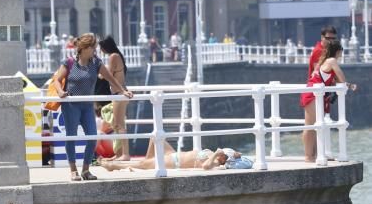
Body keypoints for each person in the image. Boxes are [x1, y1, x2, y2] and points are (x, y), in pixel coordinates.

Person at [52, 32, 133, 182]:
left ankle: (86, 170)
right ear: (84, 48)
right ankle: (73, 171)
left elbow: (110, 78)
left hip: (87, 106)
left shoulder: (96, 63)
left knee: (92, 137)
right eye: (93, 48)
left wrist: (123, 91)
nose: (95, 51)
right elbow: (57, 79)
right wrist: (60, 91)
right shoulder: (69, 63)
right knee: (71, 137)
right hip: (71, 106)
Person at [300, 40, 356, 163]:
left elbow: (333, 80)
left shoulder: (324, 61)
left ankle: (312, 155)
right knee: (310, 126)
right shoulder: (331, 61)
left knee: (312, 125)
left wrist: (349, 85)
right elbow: (341, 78)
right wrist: (349, 85)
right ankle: (309, 157)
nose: (341, 55)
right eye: (341, 52)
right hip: (313, 94)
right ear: (338, 51)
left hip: (313, 92)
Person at [99, 139, 252, 172]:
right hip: (174, 154)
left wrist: (216, 156)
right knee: (155, 138)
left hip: (174, 162)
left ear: (224, 159)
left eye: (225, 154)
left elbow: (205, 167)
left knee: (141, 165)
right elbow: (240, 157)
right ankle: (147, 162)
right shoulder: (215, 155)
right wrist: (236, 154)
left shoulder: (215, 163)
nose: (223, 152)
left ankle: (112, 166)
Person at [99, 36, 130, 161]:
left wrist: (98, 73)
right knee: (117, 125)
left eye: (101, 48)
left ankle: (125, 155)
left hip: (119, 94)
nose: (100, 50)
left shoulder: (113, 57)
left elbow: (107, 75)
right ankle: (119, 154)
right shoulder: (117, 56)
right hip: (119, 93)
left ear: (105, 47)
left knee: (119, 125)